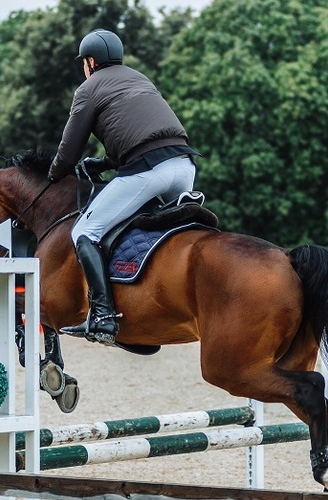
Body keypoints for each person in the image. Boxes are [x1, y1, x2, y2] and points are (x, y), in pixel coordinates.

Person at [48, 28, 198, 345]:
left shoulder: (88, 88)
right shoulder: (140, 79)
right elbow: (136, 137)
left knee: (85, 232)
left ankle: (102, 316)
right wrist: (103, 163)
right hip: (183, 166)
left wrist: (53, 175)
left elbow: (69, 150)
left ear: (90, 61)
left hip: (148, 171)